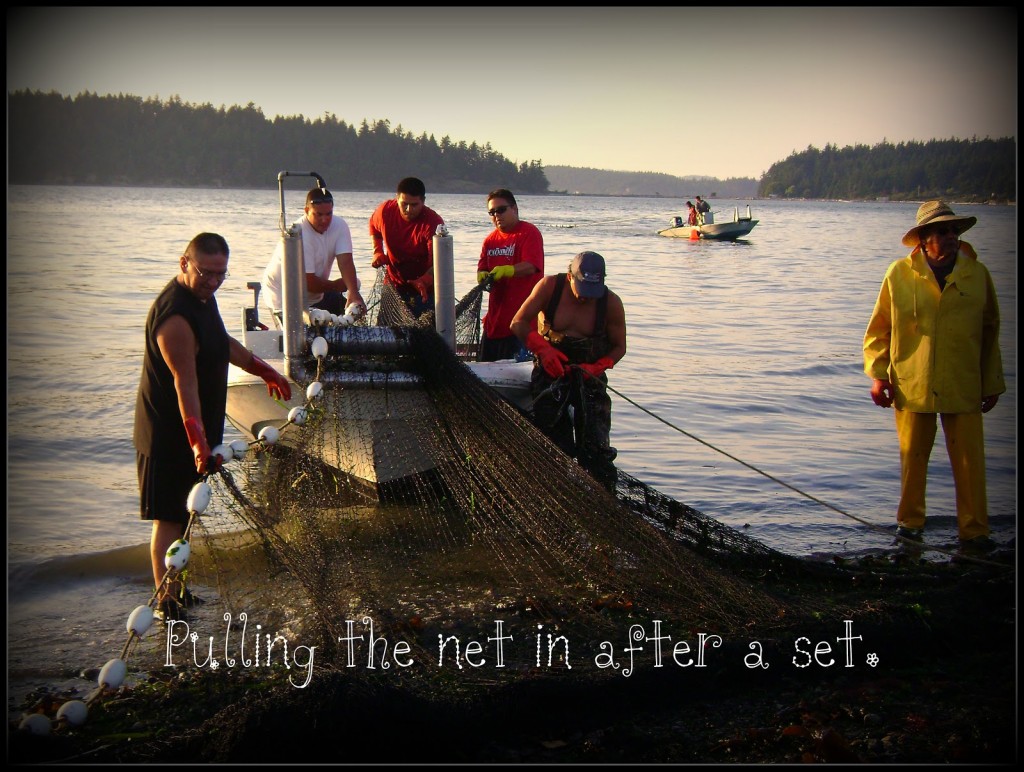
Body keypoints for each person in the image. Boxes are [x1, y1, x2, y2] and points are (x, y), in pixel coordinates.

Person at [135, 233, 292, 619]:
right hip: (169, 434)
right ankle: (165, 602)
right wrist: (197, 444)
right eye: (206, 272)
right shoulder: (174, 318)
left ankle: (179, 590)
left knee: (188, 513)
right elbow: (184, 386)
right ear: (184, 262)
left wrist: (265, 369)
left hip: (197, 432)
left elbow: (222, 343)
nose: (213, 280)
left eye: (221, 274)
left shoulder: (203, 299)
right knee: (170, 517)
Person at [863, 201, 1004, 555]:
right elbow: (880, 330)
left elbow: (990, 333)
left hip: (964, 382)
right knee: (913, 458)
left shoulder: (978, 275)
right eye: (942, 231)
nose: (950, 237)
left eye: (954, 230)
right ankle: (910, 529)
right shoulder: (898, 274)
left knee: (970, 462)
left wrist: (992, 383)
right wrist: (879, 376)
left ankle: (974, 534)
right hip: (913, 383)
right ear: (924, 240)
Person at [510, 251, 626, 490]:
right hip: (551, 372)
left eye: (592, 292)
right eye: (582, 289)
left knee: (596, 447)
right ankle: (553, 493)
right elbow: (518, 323)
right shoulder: (550, 287)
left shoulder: (611, 303)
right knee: (552, 442)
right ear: (570, 276)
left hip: (589, 376)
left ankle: (602, 500)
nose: (586, 299)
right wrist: (544, 350)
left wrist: (597, 367)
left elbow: (619, 347)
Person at [261, 186, 365, 324]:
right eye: (319, 215)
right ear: (307, 211)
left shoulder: (340, 225)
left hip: (316, 295)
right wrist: (336, 285)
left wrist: (353, 291)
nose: (324, 220)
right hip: (284, 296)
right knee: (306, 337)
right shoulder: (299, 234)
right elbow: (308, 282)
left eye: (329, 214)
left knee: (351, 316)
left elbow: (345, 261)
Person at [475, 189, 544, 362]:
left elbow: (532, 266)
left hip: (521, 326)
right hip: (494, 325)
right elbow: (482, 267)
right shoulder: (490, 240)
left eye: (501, 210)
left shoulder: (529, 233)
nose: (496, 215)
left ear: (514, 209)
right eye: (491, 212)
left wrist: (509, 270)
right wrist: (482, 275)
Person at [369, 176, 445, 318]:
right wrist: (377, 251)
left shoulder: (433, 223)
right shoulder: (385, 211)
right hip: (393, 286)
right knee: (385, 333)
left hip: (423, 290)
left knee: (422, 335)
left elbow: (439, 263)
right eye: (404, 204)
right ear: (397, 198)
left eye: (414, 205)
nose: (408, 209)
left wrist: (425, 280)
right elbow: (373, 226)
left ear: (423, 201)